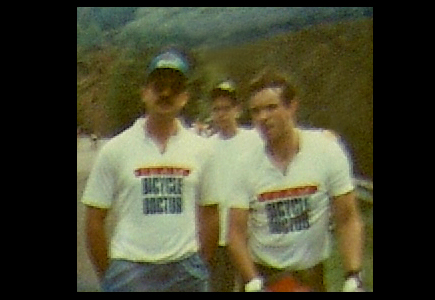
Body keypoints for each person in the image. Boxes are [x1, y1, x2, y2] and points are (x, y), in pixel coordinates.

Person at [81, 48, 219, 292]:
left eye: (174, 87)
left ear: (184, 96)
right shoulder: (116, 149)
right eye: (158, 86)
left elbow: (210, 213)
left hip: (184, 269)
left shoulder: (202, 149)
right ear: (145, 93)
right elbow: (94, 220)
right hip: (132, 269)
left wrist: (199, 264)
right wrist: (111, 275)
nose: (166, 93)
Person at [227, 70, 365, 292]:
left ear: (292, 106)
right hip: (264, 274)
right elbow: (235, 232)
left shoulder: (326, 150)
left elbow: (347, 217)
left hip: (311, 275)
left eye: (271, 107)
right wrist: (252, 281)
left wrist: (353, 275)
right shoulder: (244, 164)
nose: (263, 117)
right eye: (256, 111)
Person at [204, 80, 262, 292]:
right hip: (220, 239)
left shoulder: (256, 139)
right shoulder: (206, 147)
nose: (222, 114)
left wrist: (325, 135)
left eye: (226, 108)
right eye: (217, 109)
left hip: (251, 235)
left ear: (237, 110)